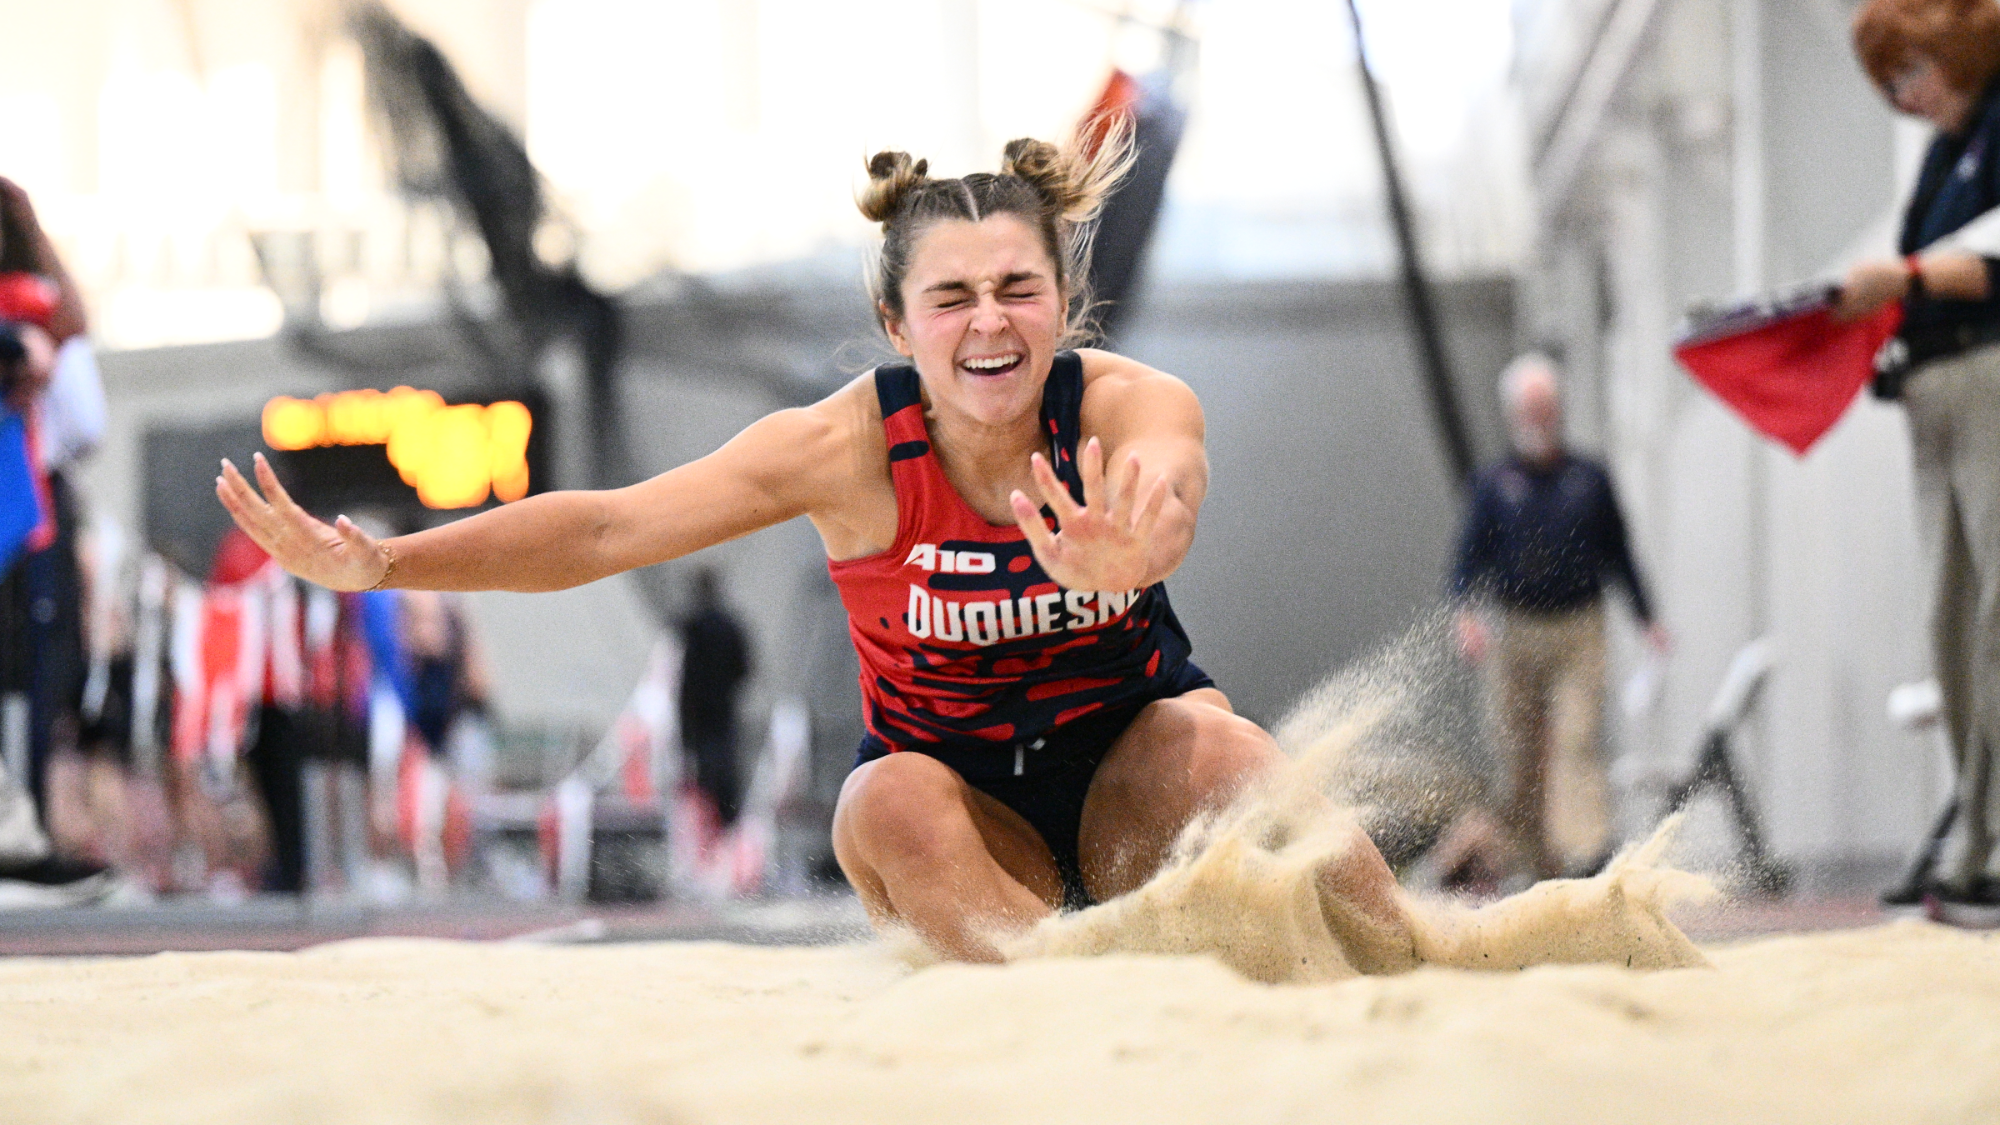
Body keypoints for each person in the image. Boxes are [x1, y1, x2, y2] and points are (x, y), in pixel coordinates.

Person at [214, 128, 1412, 965]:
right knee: (876, 800)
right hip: (961, 822)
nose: (987, 322)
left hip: (1128, 782)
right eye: (951, 298)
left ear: (1063, 305)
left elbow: (1170, 484)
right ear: (898, 322)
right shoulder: (841, 449)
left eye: (1016, 289)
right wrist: (390, 564)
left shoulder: (1120, 405)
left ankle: (1414, 953)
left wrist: (1133, 549)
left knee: (1223, 742)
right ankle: (1060, 1008)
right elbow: (606, 524)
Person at [1844, 0, 2000, 918]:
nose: (1905, 98)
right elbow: (1918, 259)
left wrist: (1901, 281)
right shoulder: (1948, 151)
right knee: (1951, 622)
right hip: (1934, 393)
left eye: (1911, 74)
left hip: (1989, 377)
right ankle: (1974, 836)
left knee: (1998, 616)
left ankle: (1993, 838)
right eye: (1889, 86)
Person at [1452, 354, 1669, 883]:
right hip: (1515, 628)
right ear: (1512, 414)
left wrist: (1647, 618)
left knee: (1577, 740)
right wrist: (1465, 615)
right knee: (1517, 749)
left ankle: (1587, 856)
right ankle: (1529, 862)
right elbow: (1467, 559)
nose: (1539, 418)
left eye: (1547, 407)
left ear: (1560, 410)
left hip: (1579, 628)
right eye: (1529, 408)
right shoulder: (1493, 483)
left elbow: (1620, 553)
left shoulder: (1590, 478)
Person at [676, 567, 752, 828]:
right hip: (721, 705)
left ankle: (711, 821)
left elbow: (682, 673)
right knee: (723, 763)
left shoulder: (691, 628)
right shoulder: (728, 626)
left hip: (698, 709)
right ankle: (725, 819)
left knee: (702, 765)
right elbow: (744, 669)